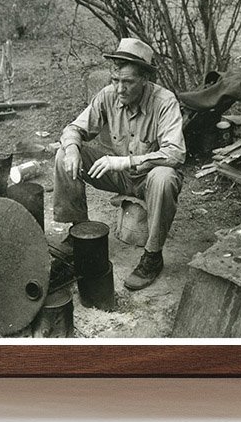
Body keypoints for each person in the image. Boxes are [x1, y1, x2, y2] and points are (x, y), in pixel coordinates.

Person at [53, 37, 185, 290]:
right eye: (115, 80)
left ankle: (153, 256)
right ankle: (78, 232)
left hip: (149, 178)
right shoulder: (108, 96)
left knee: (165, 177)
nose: (120, 89)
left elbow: (176, 154)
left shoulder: (165, 102)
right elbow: (74, 128)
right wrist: (71, 148)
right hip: (119, 176)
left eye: (128, 82)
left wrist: (125, 161)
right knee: (63, 154)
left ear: (145, 80)